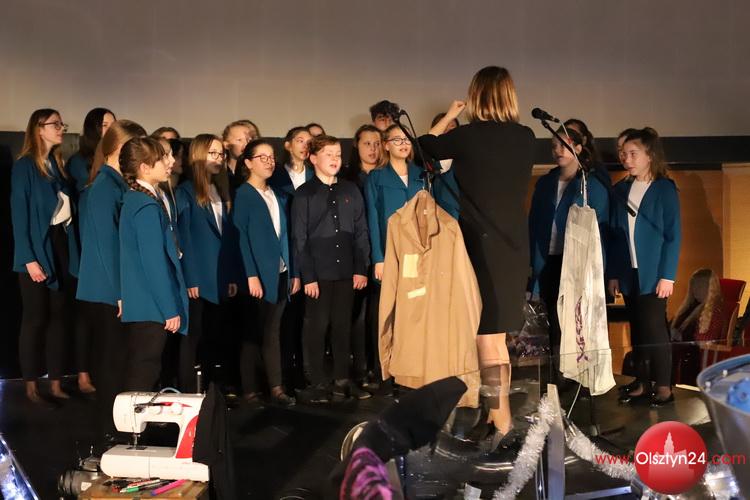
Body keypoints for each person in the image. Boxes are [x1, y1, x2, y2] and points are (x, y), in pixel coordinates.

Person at [419, 66, 536, 434]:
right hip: (514, 248)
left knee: (486, 338)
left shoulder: (467, 137)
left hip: (481, 248)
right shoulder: (526, 136)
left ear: (476, 97)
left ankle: (501, 421)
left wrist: (449, 116)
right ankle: (494, 414)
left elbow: (423, 147)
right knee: (497, 339)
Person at [76, 119, 147, 435]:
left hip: (115, 289)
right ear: (120, 148)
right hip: (107, 291)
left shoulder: (118, 184)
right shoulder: (105, 187)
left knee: (117, 360)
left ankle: (116, 425)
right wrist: (120, 292)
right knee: (110, 362)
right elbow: (106, 245)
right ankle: (109, 428)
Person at [292, 135, 370, 402]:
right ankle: (317, 382)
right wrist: (308, 276)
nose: (335, 159)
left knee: (342, 326)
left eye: (338, 154)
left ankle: (342, 379)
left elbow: (361, 230)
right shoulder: (304, 194)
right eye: (328, 154)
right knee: (317, 327)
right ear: (313, 158)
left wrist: (361, 267)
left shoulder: (350, 189)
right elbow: (300, 237)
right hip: (319, 271)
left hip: (346, 269)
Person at [11, 109, 80, 406]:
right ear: (39, 129)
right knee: (35, 319)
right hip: (36, 249)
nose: (61, 128)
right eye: (55, 124)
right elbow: (20, 214)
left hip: (59, 245)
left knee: (59, 318)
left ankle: (55, 382)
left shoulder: (58, 166)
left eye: (62, 124)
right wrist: (29, 258)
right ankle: (30, 385)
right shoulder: (25, 166)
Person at [608, 127, 681, 407]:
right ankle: (642, 382)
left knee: (654, 330)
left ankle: (664, 388)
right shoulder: (620, 190)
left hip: (654, 274)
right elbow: (615, 236)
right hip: (629, 272)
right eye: (623, 154)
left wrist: (667, 276)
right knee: (637, 329)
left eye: (633, 153)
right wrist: (614, 273)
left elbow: (673, 235)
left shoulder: (664, 188)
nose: (626, 159)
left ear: (649, 155)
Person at [528, 127, 609, 372]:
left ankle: (579, 375)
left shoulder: (590, 184)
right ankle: (557, 375)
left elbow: (601, 229)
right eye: (554, 146)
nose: (558, 151)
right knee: (553, 320)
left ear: (579, 148)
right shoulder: (545, 182)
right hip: (549, 260)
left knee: (577, 322)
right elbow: (534, 224)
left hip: (576, 263)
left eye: (564, 145)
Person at [234, 139, 301, 406]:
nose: (269, 162)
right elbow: (241, 237)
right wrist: (251, 275)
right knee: (252, 334)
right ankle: (250, 389)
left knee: (273, 332)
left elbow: (286, 237)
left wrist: (293, 272)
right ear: (248, 163)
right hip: (257, 276)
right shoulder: (244, 194)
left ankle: (276, 387)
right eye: (262, 157)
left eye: (272, 157)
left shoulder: (277, 194)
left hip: (280, 273)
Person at [119, 137, 187, 392]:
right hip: (150, 304)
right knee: (145, 370)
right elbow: (153, 262)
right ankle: (132, 419)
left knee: (146, 368)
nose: (169, 162)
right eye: (162, 158)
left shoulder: (140, 199)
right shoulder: (145, 205)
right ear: (145, 168)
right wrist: (169, 309)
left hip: (146, 301)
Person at [175, 134, 239, 392]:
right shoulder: (185, 191)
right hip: (198, 278)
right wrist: (190, 277)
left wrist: (231, 275)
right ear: (198, 155)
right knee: (194, 338)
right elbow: (184, 238)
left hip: (219, 275)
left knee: (214, 335)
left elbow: (226, 237)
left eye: (221, 154)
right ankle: (189, 390)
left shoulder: (219, 190)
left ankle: (211, 390)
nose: (218, 159)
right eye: (212, 153)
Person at [342, 125, 383, 389]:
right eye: (367, 143)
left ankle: (379, 366)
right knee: (357, 314)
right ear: (356, 145)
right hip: (355, 253)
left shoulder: (384, 175)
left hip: (380, 252)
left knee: (377, 314)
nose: (373, 148)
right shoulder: (347, 178)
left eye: (377, 143)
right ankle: (359, 367)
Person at [68, 108, 115, 194]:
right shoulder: (78, 161)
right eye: (104, 125)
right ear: (93, 128)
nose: (110, 129)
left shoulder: (116, 155)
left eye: (113, 125)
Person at [563, 118, 610, 185]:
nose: (568, 141)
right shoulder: (557, 172)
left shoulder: (597, 170)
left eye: (573, 136)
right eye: (565, 136)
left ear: (584, 140)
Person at [269, 126, 314, 196]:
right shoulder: (274, 174)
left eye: (309, 143)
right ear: (288, 145)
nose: (306, 146)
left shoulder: (314, 175)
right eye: (300, 141)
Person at [222, 120, 252, 193]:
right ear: (226, 145)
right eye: (239, 140)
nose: (246, 144)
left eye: (249, 140)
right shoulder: (220, 172)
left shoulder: (255, 170)